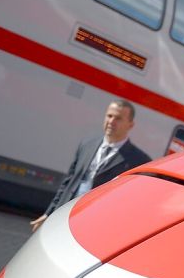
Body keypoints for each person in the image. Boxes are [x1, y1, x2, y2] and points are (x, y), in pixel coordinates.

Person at [30, 99, 150, 231]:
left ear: (130, 125)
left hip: (95, 227)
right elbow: (68, 182)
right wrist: (49, 213)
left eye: (118, 118)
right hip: (63, 218)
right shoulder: (87, 144)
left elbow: (131, 205)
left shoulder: (139, 161)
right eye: (109, 116)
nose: (111, 121)